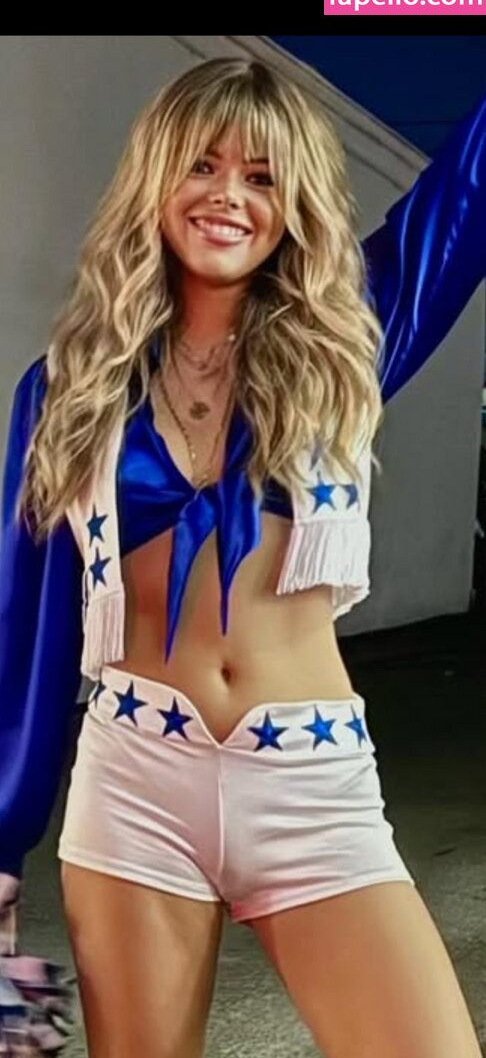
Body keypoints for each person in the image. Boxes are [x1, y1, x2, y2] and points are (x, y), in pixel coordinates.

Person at [0, 56, 484, 1058]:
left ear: (292, 206)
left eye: (262, 177)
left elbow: (468, 191)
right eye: (203, 165)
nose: (229, 194)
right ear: (156, 180)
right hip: (133, 784)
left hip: (312, 785)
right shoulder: (65, 391)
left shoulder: (349, 339)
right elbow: (27, 633)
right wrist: (1, 843)